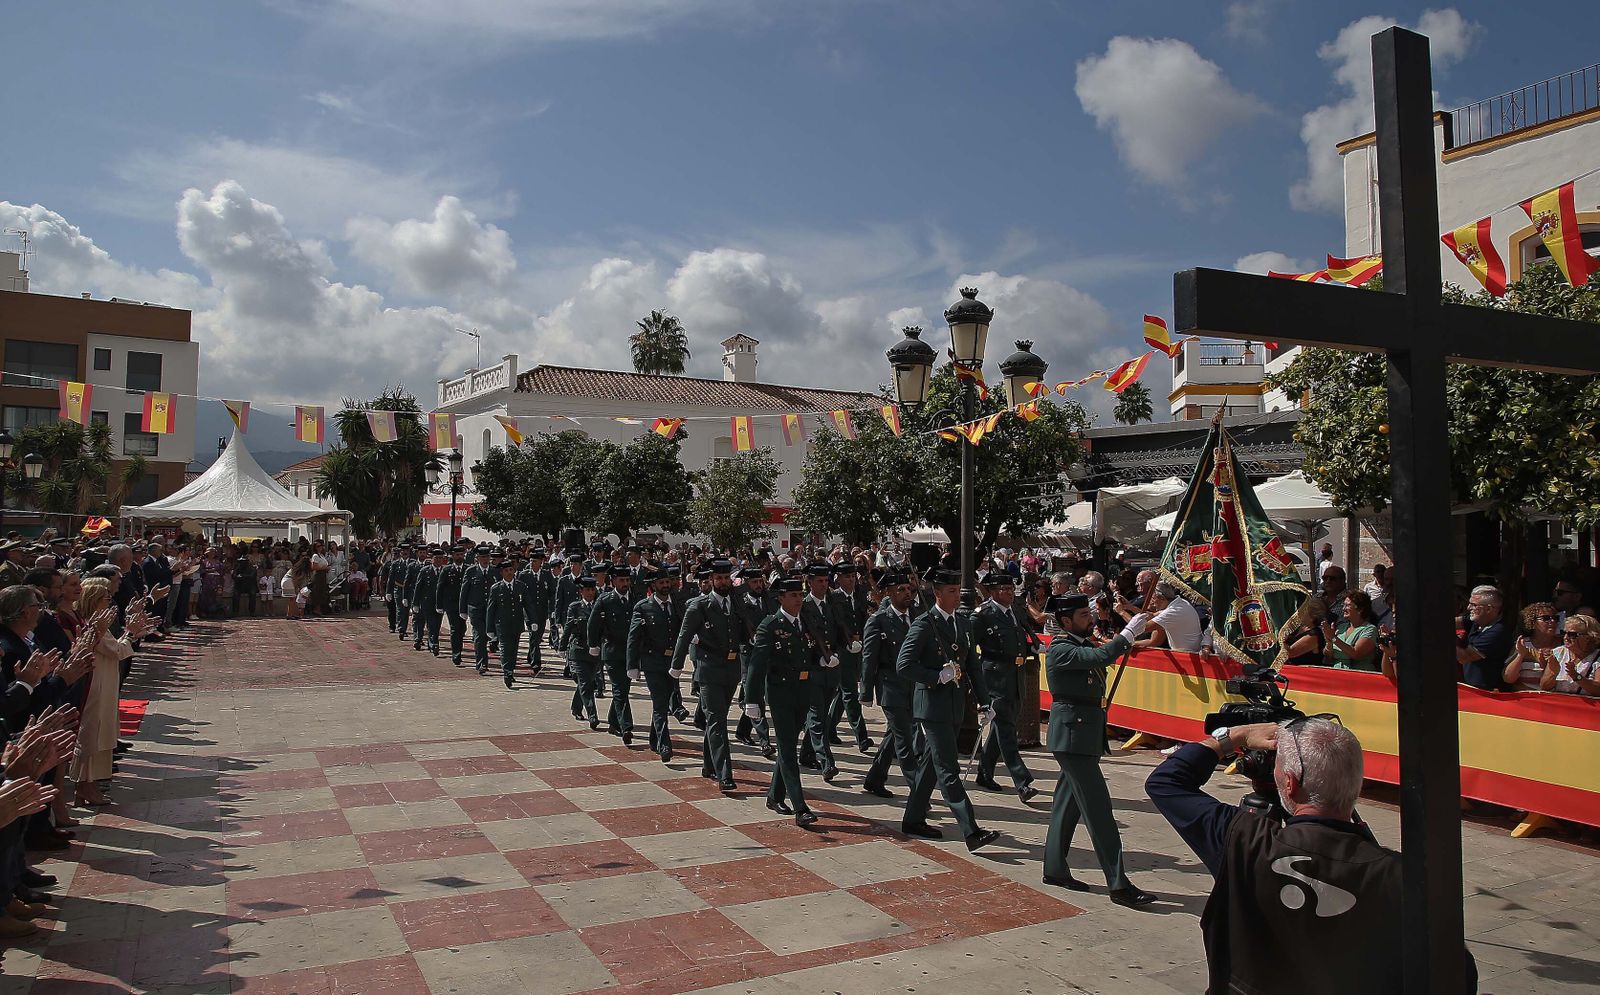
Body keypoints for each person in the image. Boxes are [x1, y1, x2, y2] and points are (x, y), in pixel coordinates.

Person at [1145, 719, 1477, 994]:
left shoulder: (1245, 840)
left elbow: (1167, 782)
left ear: (1288, 783)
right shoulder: (1403, 877)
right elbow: (1459, 976)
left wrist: (1234, 737)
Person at [1040, 592, 1156, 907]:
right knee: (1099, 811)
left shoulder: (1081, 643)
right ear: (1065, 621)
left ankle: (1054, 868)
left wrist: (1125, 639)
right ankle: (1118, 883)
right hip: (1073, 737)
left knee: (1067, 805)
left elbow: (1099, 658)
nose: (1089, 619)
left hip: (1084, 734)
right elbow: (1096, 659)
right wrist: (1128, 634)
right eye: (1081, 615)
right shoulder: (1061, 648)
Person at [896, 569, 1001, 853]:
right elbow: (904, 665)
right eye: (952, 591)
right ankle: (971, 830)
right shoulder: (923, 625)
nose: (957, 596)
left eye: (959, 590)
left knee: (931, 765)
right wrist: (935, 676)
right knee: (948, 769)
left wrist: (984, 701)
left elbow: (972, 666)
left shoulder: (963, 624)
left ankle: (913, 819)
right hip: (931, 707)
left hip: (954, 705)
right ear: (937, 593)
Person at [744, 576, 819, 828]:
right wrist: (752, 700)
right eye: (793, 596)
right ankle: (801, 807)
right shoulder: (770, 625)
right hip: (780, 693)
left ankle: (774, 795)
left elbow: (815, 648)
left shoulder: (805, 620)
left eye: (800, 595)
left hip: (803, 691)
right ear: (781, 599)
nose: (799, 599)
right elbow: (756, 665)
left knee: (789, 744)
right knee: (787, 749)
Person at [672, 560, 747, 792]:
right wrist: (676, 668)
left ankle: (708, 764)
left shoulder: (736, 603)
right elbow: (684, 637)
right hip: (709, 669)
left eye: (727, 578)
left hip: (732, 669)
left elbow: (747, 631)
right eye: (719, 578)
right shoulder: (699, 605)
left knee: (719, 717)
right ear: (711, 580)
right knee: (717, 720)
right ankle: (725, 774)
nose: (724, 582)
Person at [970, 575, 1038, 801]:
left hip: (1016, 677)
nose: (1010, 593)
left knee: (1001, 730)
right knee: (1007, 732)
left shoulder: (1015, 611)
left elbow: (1024, 636)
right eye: (1004, 589)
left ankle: (984, 772)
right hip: (995, 679)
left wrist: (1034, 648)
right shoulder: (983, 615)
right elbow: (970, 648)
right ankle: (1022, 781)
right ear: (993, 591)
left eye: (1011, 588)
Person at [861, 571, 921, 798]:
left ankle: (875, 779)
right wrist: (865, 692)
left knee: (894, 735)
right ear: (888, 593)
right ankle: (918, 792)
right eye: (901, 590)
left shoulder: (917, 616)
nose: (907, 594)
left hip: (912, 686)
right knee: (905, 741)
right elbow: (869, 658)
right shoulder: (879, 621)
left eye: (909, 589)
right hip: (890, 686)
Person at [628, 570, 680, 764]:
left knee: (663, 701)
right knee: (660, 703)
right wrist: (632, 664)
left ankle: (653, 737)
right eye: (661, 583)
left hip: (671, 663)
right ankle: (665, 744)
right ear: (653, 585)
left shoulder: (676, 604)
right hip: (652, 663)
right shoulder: (643, 607)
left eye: (668, 582)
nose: (666, 585)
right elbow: (634, 637)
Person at [798, 566, 841, 781]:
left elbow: (837, 631)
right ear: (810, 582)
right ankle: (826, 762)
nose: (824, 585)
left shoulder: (830, 604)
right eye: (820, 581)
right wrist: (818, 657)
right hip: (812, 670)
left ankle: (806, 754)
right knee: (815, 715)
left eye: (826, 581)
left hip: (830, 669)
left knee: (822, 715)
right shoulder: (803, 606)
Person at [825, 564, 873, 755]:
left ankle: (829, 729)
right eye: (847, 577)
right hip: (842, 651)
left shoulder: (858, 595)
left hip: (857, 648)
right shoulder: (833, 598)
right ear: (838, 579)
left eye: (853, 576)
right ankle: (861, 736)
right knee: (850, 693)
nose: (852, 580)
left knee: (843, 692)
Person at [589, 565, 634, 744]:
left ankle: (613, 721)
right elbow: (593, 625)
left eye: (627, 580)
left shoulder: (635, 599)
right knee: (619, 689)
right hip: (612, 652)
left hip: (630, 653)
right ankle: (626, 726)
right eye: (621, 580)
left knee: (623, 688)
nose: (625, 584)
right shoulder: (605, 600)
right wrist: (593, 645)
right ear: (613, 581)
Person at [1458, 585, 1513, 691]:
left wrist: (1444, 636)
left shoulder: (1498, 632)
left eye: (1473, 605)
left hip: (1487, 693)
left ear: (1488, 609)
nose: (1469, 608)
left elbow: (1464, 657)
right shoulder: (1477, 620)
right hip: (1471, 689)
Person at [485, 558, 530, 689]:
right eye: (507, 570)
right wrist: (490, 628)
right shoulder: (496, 588)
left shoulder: (521, 586)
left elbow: (528, 605)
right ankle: (507, 672)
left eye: (511, 570)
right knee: (505, 648)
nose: (510, 572)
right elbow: (491, 609)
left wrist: (532, 620)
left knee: (514, 649)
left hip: (516, 623)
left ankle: (511, 669)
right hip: (502, 624)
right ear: (502, 573)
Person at [563, 576, 602, 728]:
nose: (590, 593)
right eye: (587, 590)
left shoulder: (599, 605)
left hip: (595, 652)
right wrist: (562, 646)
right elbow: (568, 627)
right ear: (581, 591)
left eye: (592, 589)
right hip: (578, 650)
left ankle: (576, 707)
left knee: (587, 682)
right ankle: (593, 714)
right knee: (586, 684)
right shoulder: (575, 607)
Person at [1503, 601, 1561, 690]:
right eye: (1546, 618)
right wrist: (1520, 655)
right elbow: (1508, 678)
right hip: (1525, 698)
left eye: (1555, 618)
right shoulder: (1523, 644)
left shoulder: (1564, 645)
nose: (1552, 621)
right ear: (1532, 623)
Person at [1132, 581, 1203, 652]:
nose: (1152, 602)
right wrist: (1128, 607)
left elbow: (1142, 628)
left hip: (1188, 654)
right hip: (1186, 651)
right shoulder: (1180, 603)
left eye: (1153, 598)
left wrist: (1122, 613)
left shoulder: (1173, 611)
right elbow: (1152, 615)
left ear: (1162, 598)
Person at [1543, 613, 1600, 695]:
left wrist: (1576, 676)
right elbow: (1544, 687)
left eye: (1572, 635)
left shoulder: (1597, 657)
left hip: (1586, 706)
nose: (1565, 637)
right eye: (1564, 633)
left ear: (1588, 637)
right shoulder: (1558, 653)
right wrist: (1553, 672)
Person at [1323, 590, 1380, 672]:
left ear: (1360, 609)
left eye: (1347, 605)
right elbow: (1328, 657)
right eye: (1343, 605)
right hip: (1337, 675)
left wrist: (1333, 638)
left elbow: (1356, 654)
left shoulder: (1369, 629)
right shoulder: (1341, 627)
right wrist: (1329, 642)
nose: (1343, 609)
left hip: (1358, 676)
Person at [459, 545, 494, 674]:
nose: (485, 559)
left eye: (487, 557)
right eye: (482, 557)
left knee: (489, 636)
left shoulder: (495, 571)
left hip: (491, 611)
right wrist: (463, 610)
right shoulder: (471, 571)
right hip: (475, 609)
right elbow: (464, 591)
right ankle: (482, 663)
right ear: (477, 558)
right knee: (479, 636)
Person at [409, 546, 445, 656]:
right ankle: (434, 644)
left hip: (440, 603)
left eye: (441, 558)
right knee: (431, 623)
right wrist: (415, 603)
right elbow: (418, 587)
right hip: (427, 602)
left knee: (437, 624)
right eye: (436, 558)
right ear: (432, 558)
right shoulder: (425, 571)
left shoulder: (445, 570)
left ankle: (432, 642)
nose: (439, 560)